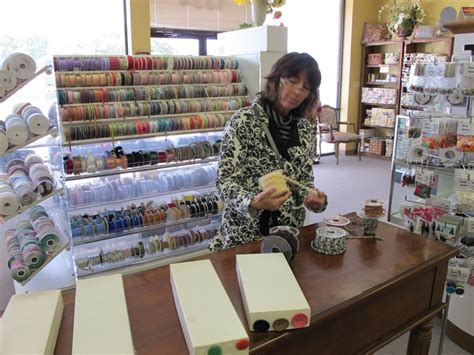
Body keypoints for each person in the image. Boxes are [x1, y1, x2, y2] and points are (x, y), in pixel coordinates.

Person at [208, 52, 327, 251]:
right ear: (277, 79)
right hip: (246, 235)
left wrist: (314, 199)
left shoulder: (305, 129)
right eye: (293, 80)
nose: (298, 90)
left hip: (287, 235)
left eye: (306, 88)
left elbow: (305, 181)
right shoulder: (243, 121)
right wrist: (253, 202)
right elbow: (224, 182)